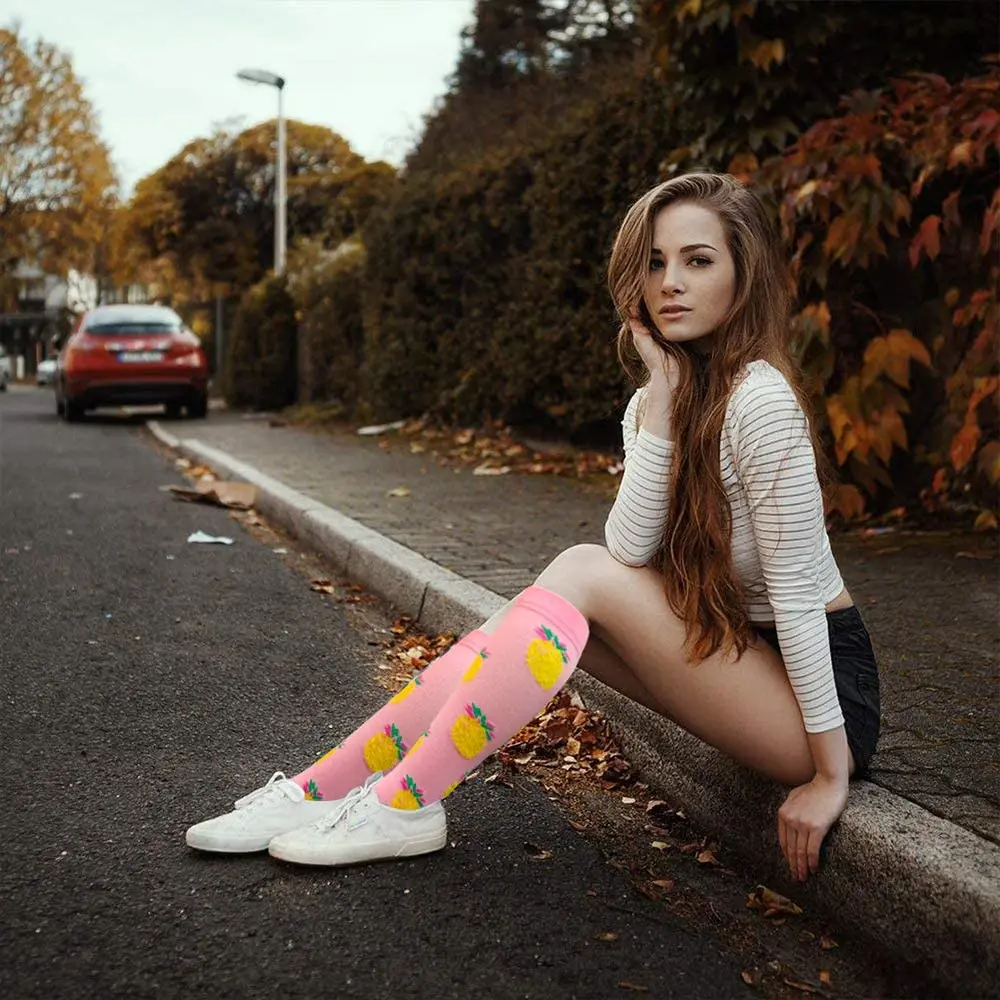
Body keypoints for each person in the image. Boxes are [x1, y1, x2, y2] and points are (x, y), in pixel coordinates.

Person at [186, 172, 880, 882]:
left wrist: (830, 776)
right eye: (654, 262)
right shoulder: (653, 404)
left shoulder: (761, 401)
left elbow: (796, 598)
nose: (670, 282)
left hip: (821, 702)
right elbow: (632, 548)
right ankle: (325, 791)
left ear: (742, 276)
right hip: (734, 654)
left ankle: (402, 803)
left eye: (698, 261)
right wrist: (664, 405)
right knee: (535, 621)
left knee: (578, 573)